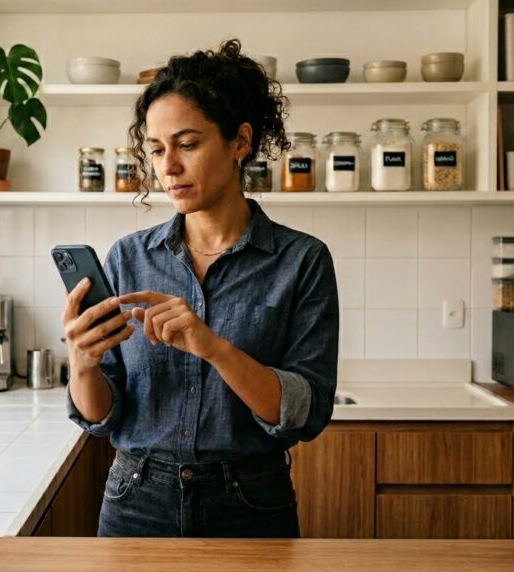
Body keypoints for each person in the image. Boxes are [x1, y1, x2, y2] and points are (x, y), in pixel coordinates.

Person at [61, 39, 339, 538]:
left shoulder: (302, 261)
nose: (167, 166)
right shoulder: (128, 258)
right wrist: (81, 364)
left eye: (187, 144)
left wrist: (212, 347)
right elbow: (100, 415)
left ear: (239, 142)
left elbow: (304, 410)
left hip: (251, 504)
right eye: (155, 148)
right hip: (135, 500)